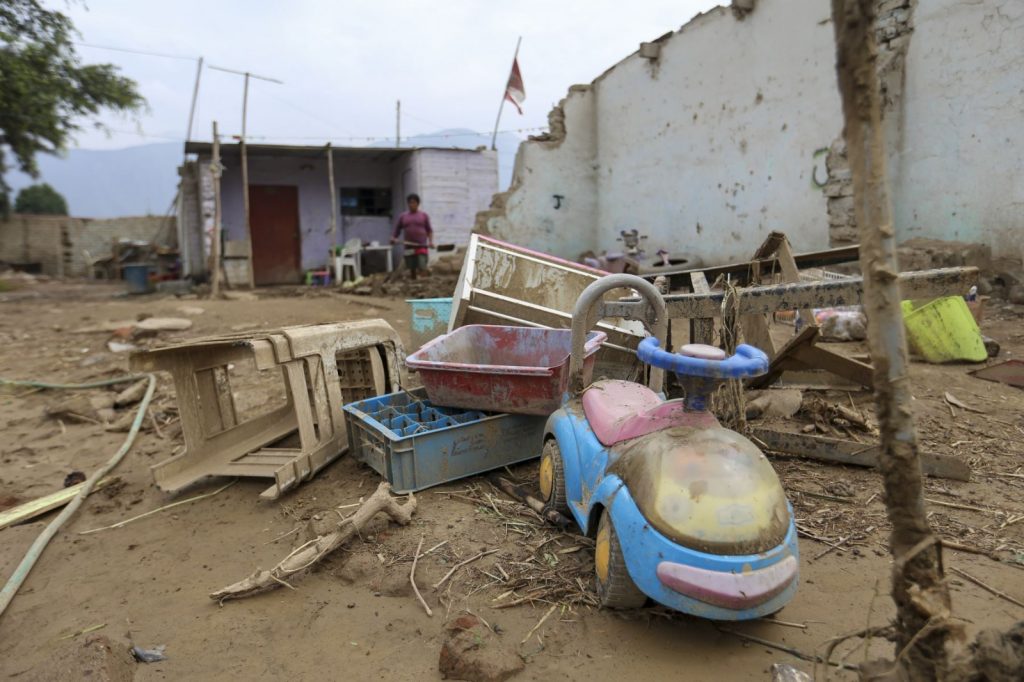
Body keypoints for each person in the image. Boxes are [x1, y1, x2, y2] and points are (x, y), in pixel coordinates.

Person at [391, 193, 434, 279]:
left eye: (414, 202)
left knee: (422, 266)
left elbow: (429, 230)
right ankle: (414, 284)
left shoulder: (423, 216)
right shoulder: (403, 216)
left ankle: (425, 280)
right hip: (409, 247)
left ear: (418, 204)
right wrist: (393, 238)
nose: (412, 204)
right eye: (410, 203)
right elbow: (397, 229)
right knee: (411, 267)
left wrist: (430, 242)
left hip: (421, 246)